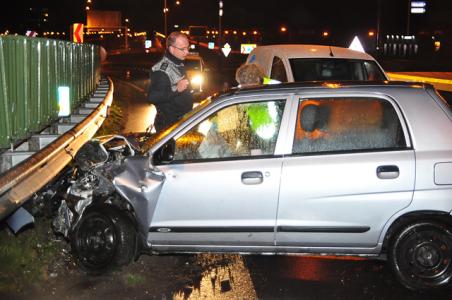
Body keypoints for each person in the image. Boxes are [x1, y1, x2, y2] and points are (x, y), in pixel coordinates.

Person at [148, 32, 193, 132]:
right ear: (172, 49)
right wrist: (176, 89)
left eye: (188, 48)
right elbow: (153, 97)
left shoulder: (177, 63)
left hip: (181, 123)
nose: (187, 52)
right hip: (170, 127)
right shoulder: (162, 70)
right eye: (183, 49)